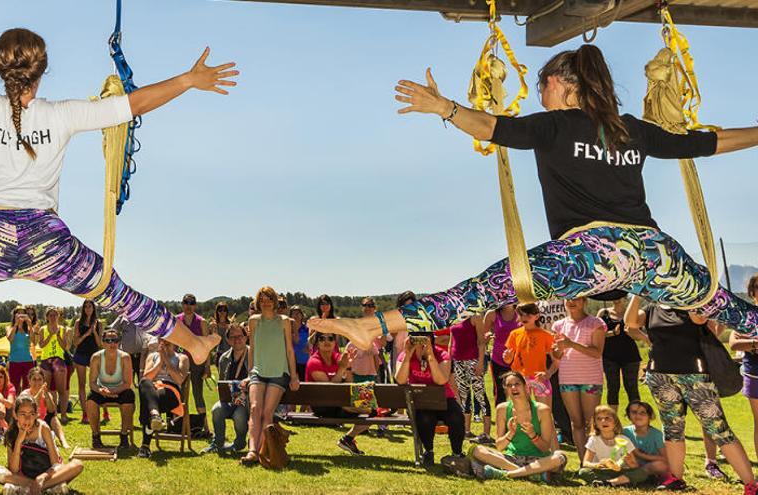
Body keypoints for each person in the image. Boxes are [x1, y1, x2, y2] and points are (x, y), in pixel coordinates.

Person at [307, 44, 758, 380]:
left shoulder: (554, 125)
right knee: (726, 306)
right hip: (656, 253)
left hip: (595, 254)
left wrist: (442, 107)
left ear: (563, 83)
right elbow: (707, 143)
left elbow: (490, 127)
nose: (540, 91)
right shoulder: (630, 129)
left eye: (543, 83)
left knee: (486, 288)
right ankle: (371, 324)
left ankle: (372, 325)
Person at [0, 29, 230, 366]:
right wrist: (187, 80)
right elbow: (133, 105)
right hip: (47, 242)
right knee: (116, 294)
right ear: (42, 71)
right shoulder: (62, 114)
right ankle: (195, 344)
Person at [626, 296, 757, 492]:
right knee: (672, 430)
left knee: (719, 430)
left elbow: (699, 320)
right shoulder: (653, 308)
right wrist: (637, 294)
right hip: (661, 377)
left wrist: (689, 296)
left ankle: (751, 484)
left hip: (695, 378)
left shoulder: (691, 304)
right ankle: (676, 479)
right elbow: (630, 322)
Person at [466, 371, 567, 481]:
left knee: (560, 457)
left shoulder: (542, 410)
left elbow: (544, 447)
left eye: (517, 384)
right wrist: (510, 433)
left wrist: (533, 435)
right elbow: (500, 447)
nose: (513, 388)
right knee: (477, 450)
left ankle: (506, 474)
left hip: (538, 460)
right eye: (509, 385)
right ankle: (526, 474)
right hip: (512, 459)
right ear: (506, 390)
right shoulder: (502, 409)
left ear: (525, 386)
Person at [241, 286, 299, 465]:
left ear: (275, 302)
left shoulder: (284, 321)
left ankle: (263, 451)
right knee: (254, 409)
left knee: (267, 412)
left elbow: (289, 349)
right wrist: (250, 372)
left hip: (278, 372)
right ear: (258, 302)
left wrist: (294, 375)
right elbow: (252, 351)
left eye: (269, 299)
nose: (266, 302)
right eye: (262, 299)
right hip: (258, 372)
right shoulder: (253, 321)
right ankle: (252, 451)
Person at [0, 395, 84, 495]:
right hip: (23, 476)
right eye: (23, 414)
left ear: (36, 415)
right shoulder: (10, 433)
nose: (27, 418)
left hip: (48, 473)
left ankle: (27, 489)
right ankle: (47, 488)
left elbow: (55, 464)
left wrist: (43, 477)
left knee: (77, 464)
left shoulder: (43, 428)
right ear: (15, 415)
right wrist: (18, 441)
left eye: (31, 414)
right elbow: (13, 469)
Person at [395, 334, 464, 467]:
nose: (420, 344)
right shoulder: (405, 355)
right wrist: (408, 355)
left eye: (424, 340)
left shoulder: (442, 355)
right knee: (425, 419)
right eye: (416, 340)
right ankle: (428, 451)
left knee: (456, 417)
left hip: (444, 399)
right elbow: (400, 380)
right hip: (421, 401)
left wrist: (431, 356)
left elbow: (441, 380)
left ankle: (457, 452)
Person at [550, 297, 605, 463]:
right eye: (568, 299)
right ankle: (584, 463)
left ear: (585, 301)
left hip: (590, 378)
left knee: (592, 424)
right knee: (576, 422)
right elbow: (558, 356)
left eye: (576, 299)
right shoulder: (558, 326)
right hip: (567, 378)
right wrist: (557, 351)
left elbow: (597, 352)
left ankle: (596, 461)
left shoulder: (596, 323)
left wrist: (571, 344)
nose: (571, 302)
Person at [307, 331, 371, 456]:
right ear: (317, 343)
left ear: (334, 342)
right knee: (369, 409)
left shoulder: (338, 358)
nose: (326, 341)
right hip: (323, 405)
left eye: (330, 338)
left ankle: (347, 438)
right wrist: (342, 368)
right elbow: (329, 391)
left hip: (340, 403)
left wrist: (347, 368)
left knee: (371, 405)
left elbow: (350, 384)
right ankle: (367, 411)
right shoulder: (314, 362)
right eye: (322, 338)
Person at [137, 336, 190, 458]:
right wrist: (160, 361)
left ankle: (145, 445)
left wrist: (166, 359)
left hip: (171, 391)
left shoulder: (182, 358)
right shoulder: (152, 356)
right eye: (162, 339)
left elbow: (179, 380)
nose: (165, 342)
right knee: (144, 383)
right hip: (152, 388)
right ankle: (155, 415)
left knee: (148, 400)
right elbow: (147, 376)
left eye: (168, 339)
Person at [204, 324, 249, 454]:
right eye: (233, 337)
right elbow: (222, 382)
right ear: (228, 340)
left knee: (239, 415)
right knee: (216, 409)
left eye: (240, 336)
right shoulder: (223, 358)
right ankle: (217, 443)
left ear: (246, 337)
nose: (237, 340)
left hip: (247, 401)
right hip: (229, 399)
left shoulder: (253, 354)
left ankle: (239, 442)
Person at [86, 326, 134, 449]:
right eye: (108, 340)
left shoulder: (125, 357)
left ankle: (124, 436)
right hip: (102, 390)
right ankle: (96, 436)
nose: (112, 343)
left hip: (120, 390)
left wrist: (111, 392)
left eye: (115, 340)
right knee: (91, 399)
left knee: (129, 397)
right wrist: (101, 391)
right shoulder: (96, 357)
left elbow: (127, 383)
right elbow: (92, 383)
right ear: (103, 343)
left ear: (119, 342)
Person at [577, 405, 649, 487]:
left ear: (615, 422)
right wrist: (597, 465)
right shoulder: (594, 440)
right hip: (603, 471)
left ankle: (607, 483)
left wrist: (630, 463)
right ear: (595, 424)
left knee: (642, 472)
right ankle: (620, 482)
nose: (603, 421)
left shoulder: (624, 439)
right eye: (599, 419)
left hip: (621, 471)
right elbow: (585, 463)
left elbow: (635, 465)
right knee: (583, 472)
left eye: (607, 418)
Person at [503, 303, 557, 408]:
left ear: (536, 316)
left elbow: (556, 361)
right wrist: (507, 358)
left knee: (545, 412)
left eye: (528, 315)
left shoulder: (546, 335)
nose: (524, 318)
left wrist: (548, 374)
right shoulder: (514, 334)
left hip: (539, 379)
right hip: (519, 379)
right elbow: (508, 360)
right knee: (521, 411)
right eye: (521, 315)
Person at [449, 315, 492, 443]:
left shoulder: (475, 318)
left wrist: (480, 362)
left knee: (480, 395)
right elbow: (451, 342)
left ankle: (486, 434)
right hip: (458, 361)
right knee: (463, 396)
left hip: (473, 360)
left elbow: (481, 341)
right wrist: (450, 362)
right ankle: (466, 430)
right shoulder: (453, 317)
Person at [622, 400, 682, 490]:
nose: (638, 415)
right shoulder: (625, 432)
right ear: (629, 415)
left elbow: (664, 459)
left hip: (651, 468)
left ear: (650, 416)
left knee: (660, 465)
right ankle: (633, 479)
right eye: (634, 412)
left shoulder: (656, 434)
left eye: (642, 412)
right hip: (632, 465)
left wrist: (641, 455)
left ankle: (637, 479)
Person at [729, 273, 758, 461]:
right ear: (752, 292)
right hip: (754, 374)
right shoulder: (746, 315)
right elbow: (734, 343)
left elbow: (742, 342)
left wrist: (750, 341)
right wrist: (755, 343)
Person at [174, 294, 211, 434]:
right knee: (180, 395)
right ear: (182, 304)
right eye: (186, 302)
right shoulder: (177, 320)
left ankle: (206, 428)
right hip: (180, 363)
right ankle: (178, 427)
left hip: (197, 362)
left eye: (191, 303)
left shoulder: (202, 322)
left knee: (198, 394)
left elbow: (207, 345)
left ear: (195, 305)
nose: (188, 306)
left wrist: (207, 366)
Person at [597, 296, 641, 412]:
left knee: (632, 388)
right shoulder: (603, 313)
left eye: (620, 296)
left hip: (630, 356)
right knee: (612, 387)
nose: (617, 298)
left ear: (626, 298)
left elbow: (638, 334)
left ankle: (637, 419)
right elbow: (596, 333)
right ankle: (613, 421)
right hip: (609, 357)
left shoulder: (630, 313)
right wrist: (613, 333)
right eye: (615, 296)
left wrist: (632, 332)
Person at [20, 367, 70, 450]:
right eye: (34, 379)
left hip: (42, 422)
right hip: (28, 422)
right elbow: (32, 408)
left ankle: (63, 441)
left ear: (43, 381)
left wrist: (47, 396)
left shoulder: (46, 393)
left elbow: (52, 410)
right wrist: (40, 393)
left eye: (40, 379)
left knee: (54, 418)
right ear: (29, 381)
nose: (37, 382)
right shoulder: (25, 394)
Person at [73, 300, 102, 425]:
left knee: (97, 383)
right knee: (81, 384)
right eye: (85, 306)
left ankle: (103, 411)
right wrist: (86, 334)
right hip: (80, 355)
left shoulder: (98, 323)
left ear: (93, 308)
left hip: (94, 355)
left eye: (90, 306)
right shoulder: (78, 322)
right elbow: (75, 342)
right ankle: (85, 413)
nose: (87, 308)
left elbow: (100, 343)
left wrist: (94, 332)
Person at [484, 305, 520, 406]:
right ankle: (502, 419)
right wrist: (487, 336)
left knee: (519, 390)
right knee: (500, 392)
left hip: (518, 360)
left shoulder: (520, 311)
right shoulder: (492, 314)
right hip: (498, 360)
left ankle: (521, 418)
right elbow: (483, 336)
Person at [38, 307, 69, 425]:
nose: (53, 317)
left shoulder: (62, 329)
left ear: (58, 316)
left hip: (59, 360)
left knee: (62, 390)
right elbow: (41, 345)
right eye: (50, 315)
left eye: (55, 315)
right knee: (47, 389)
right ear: (46, 317)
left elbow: (65, 346)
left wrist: (58, 335)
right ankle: (50, 413)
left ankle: (64, 414)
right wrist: (51, 335)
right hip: (46, 360)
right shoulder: (42, 329)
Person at [8, 307, 37, 398]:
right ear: (14, 315)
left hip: (27, 361)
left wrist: (30, 325)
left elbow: (34, 341)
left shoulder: (28, 329)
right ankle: (13, 410)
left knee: (27, 387)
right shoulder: (10, 327)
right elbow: (10, 338)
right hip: (14, 361)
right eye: (18, 314)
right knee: (14, 387)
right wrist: (16, 325)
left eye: (23, 314)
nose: (20, 316)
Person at [290, 306, 311, 382]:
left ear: (302, 315)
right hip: (292, 362)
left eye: (298, 313)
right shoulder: (288, 329)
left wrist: (310, 348)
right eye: (294, 313)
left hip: (305, 361)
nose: (296, 315)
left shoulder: (307, 329)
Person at [209, 301, 234, 366]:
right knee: (221, 376)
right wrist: (215, 329)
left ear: (227, 312)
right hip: (219, 353)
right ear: (217, 311)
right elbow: (215, 342)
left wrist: (231, 327)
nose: (222, 312)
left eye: (224, 310)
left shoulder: (231, 324)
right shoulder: (213, 325)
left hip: (232, 353)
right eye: (220, 310)